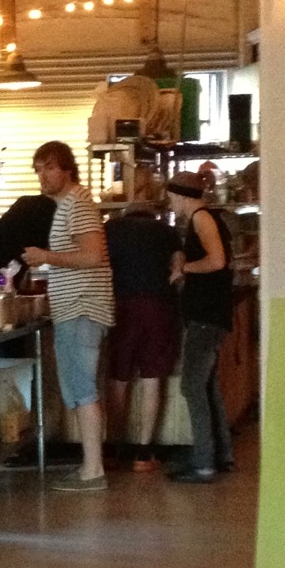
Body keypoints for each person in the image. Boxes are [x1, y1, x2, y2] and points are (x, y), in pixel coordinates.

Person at [22, 141, 114, 491]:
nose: (42, 176)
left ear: (67, 169)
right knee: (80, 388)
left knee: (82, 388)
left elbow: (92, 256)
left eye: (49, 167)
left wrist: (47, 256)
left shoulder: (78, 204)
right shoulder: (69, 205)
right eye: (38, 169)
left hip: (81, 307)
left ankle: (93, 470)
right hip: (76, 307)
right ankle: (91, 466)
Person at [104, 170, 180, 471]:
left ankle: (113, 447)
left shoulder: (110, 229)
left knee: (118, 378)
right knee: (151, 379)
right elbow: (178, 270)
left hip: (121, 307)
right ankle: (144, 454)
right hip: (158, 307)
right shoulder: (168, 232)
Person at [165, 171, 235, 483]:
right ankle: (221, 455)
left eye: (171, 198)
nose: (170, 203)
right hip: (211, 315)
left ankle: (203, 463)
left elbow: (217, 261)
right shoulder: (204, 219)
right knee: (207, 386)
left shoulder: (201, 218)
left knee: (192, 386)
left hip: (206, 317)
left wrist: (185, 268)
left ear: (182, 196)